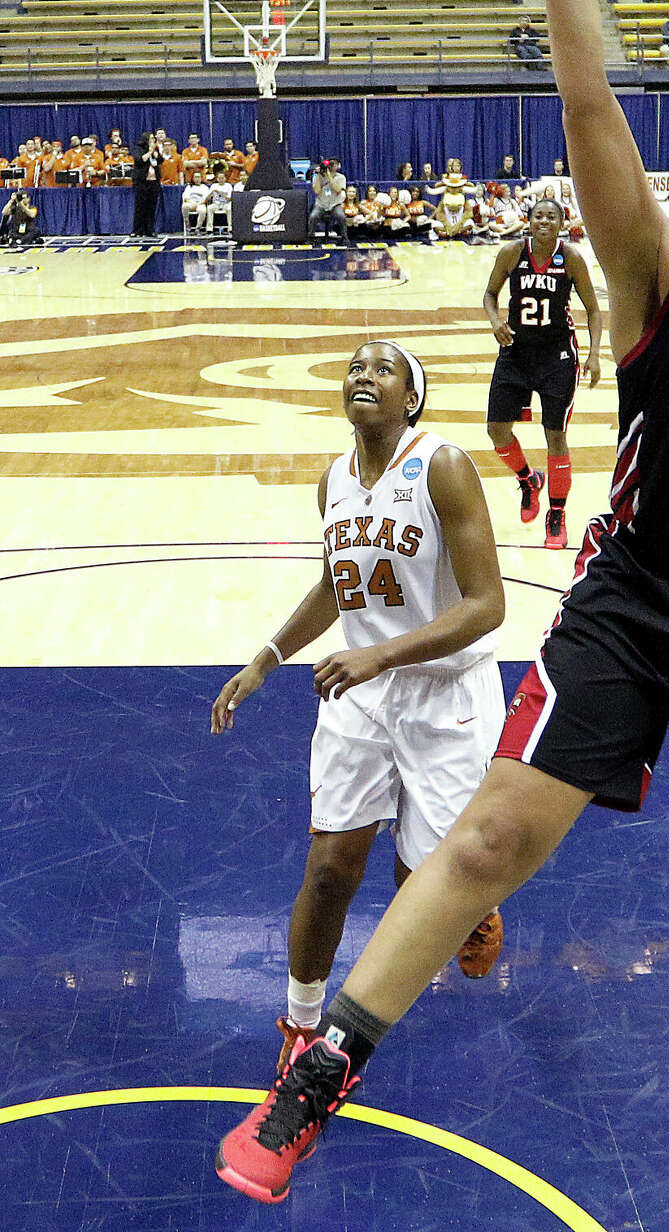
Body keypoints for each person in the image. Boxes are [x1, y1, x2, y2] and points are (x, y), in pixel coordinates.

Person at [215, 0, 669, 1232]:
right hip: (638, 599)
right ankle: (322, 1072)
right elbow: (588, 118)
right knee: (495, 838)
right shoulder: (650, 283)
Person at [209, 343, 508, 1079]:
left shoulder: (443, 466)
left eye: (382, 368)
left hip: (447, 698)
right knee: (330, 871)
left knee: (423, 888)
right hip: (360, 698)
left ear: (411, 397)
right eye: (354, 367)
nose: (362, 375)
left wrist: (382, 652)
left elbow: (488, 605)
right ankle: (302, 1027)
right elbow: (336, 585)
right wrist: (266, 658)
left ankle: (470, 904)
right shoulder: (333, 482)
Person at [483, 195, 603, 549]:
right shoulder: (511, 253)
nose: (545, 221)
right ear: (529, 221)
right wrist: (495, 322)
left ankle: (557, 514)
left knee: (555, 437)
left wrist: (594, 355)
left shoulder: (571, 258)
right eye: (539, 216)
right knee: (496, 430)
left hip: (558, 357)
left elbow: (594, 311)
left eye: (552, 217)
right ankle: (527, 479)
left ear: (562, 224)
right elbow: (490, 294)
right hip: (515, 353)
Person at [131, 133, 163, 238]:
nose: (153, 140)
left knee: (151, 207)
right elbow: (140, 160)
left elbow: (160, 160)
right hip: (141, 182)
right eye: (151, 138)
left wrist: (156, 154)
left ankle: (150, 230)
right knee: (140, 207)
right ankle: (137, 230)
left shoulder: (155, 149)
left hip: (153, 182)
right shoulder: (138, 149)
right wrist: (150, 152)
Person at [310, 158, 348, 243]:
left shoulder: (341, 177)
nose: (330, 166)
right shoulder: (317, 177)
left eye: (332, 164)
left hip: (335, 204)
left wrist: (329, 176)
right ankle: (311, 237)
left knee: (341, 216)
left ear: (337, 166)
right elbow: (316, 191)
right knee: (313, 216)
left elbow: (338, 189)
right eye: (329, 165)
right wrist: (319, 175)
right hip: (321, 204)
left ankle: (344, 238)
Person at [181, 170, 210, 238]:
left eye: (199, 177)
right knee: (184, 206)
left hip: (200, 204)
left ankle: (198, 228)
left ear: (201, 178)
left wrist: (198, 204)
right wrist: (192, 203)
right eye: (196, 177)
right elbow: (185, 198)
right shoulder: (189, 187)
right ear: (193, 178)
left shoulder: (204, 187)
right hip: (191, 203)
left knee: (203, 211)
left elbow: (206, 199)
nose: (197, 179)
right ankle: (187, 223)